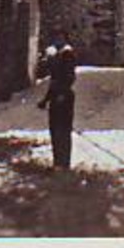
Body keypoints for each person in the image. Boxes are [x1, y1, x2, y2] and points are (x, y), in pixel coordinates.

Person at [36, 41, 77, 170]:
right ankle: (58, 161)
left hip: (64, 98)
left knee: (63, 131)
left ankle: (64, 162)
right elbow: (53, 83)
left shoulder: (67, 55)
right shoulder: (55, 56)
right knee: (55, 130)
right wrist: (46, 100)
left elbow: (70, 78)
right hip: (56, 98)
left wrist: (62, 93)